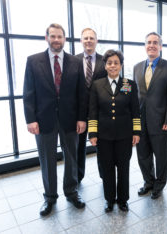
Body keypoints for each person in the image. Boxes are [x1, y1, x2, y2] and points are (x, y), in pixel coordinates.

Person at [23, 23, 87, 216]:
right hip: (44, 120)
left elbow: (81, 93)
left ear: (65, 39)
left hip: (70, 119)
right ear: (47, 38)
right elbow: (28, 92)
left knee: (72, 157)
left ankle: (72, 192)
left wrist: (81, 118)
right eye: (53, 36)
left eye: (60, 36)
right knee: (47, 159)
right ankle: (50, 198)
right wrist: (30, 119)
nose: (56, 40)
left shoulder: (75, 62)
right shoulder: (33, 61)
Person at [88, 49, 141, 212]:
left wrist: (136, 132)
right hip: (103, 137)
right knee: (107, 168)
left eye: (116, 63)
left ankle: (123, 199)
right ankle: (109, 199)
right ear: (105, 65)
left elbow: (135, 110)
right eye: (109, 63)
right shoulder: (97, 85)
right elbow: (93, 111)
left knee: (123, 168)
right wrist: (93, 133)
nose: (113, 66)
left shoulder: (128, 84)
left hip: (124, 136)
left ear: (121, 65)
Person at [133, 32, 167, 200]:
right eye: (148, 42)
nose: (151, 45)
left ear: (160, 46)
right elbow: (134, 95)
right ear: (145, 46)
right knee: (143, 154)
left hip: (161, 122)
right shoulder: (137, 67)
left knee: (161, 156)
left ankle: (159, 185)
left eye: (155, 42)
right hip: (140, 121)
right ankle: (148, 182)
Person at [76, 28, 107, 182]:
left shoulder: (105, 61)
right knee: (78, 147)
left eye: (91, 38)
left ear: (96, 41)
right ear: (81, 41)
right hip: (79, 114)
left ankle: (104, 176)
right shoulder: (73, 60)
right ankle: (78, 177)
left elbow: (113, 83)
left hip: (100, 113)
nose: (88, 40)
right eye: (85, 38)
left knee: (102, 147)